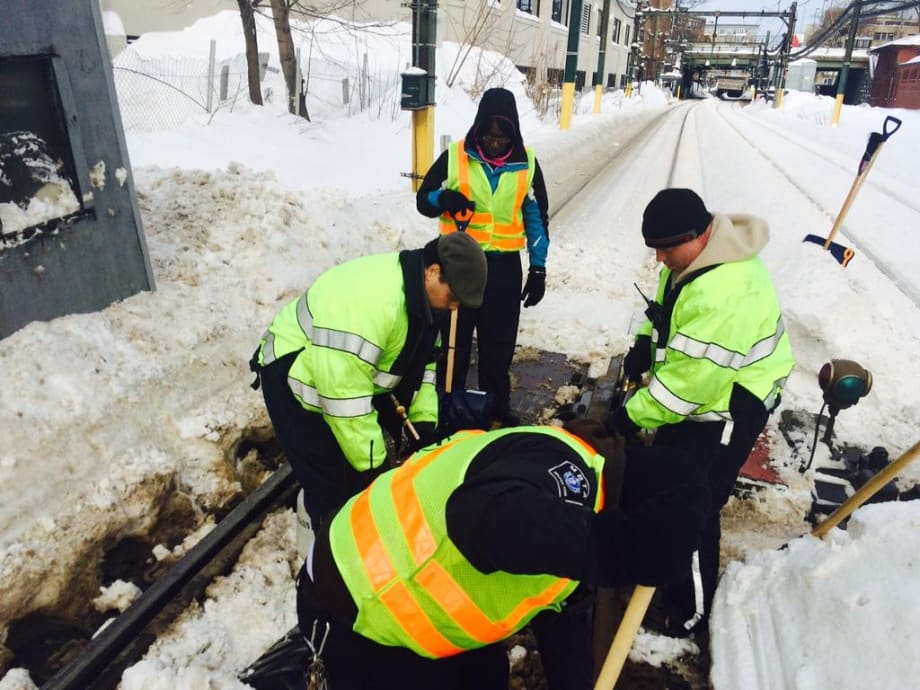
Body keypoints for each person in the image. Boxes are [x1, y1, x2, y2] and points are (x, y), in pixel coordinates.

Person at [284, 420, 709, 690]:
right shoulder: (569, 476)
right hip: (361, 609)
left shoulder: (584, 501)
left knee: (486, 676)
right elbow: (481, 517)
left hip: (408, 609)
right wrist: (616, 549)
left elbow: (559, 615)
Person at [606, 187, 795, 638]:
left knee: (695, 506)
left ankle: (689, 612)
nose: (658, 259)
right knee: (668, 480)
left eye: (665, 249)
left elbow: (687, 389)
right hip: (703, 396)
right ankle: (661, 569)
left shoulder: (725, 293)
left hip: (730, 407)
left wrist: (628, 418)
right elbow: (666, 315)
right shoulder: (691, 261)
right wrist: (641, 349)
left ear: (698, 234)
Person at [250, 232, 487, 528]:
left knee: (357, 474)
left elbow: (426, 364)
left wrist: (424, 420)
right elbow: (346, 401)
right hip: (293, 375)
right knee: (334, 487)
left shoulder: (426, 303)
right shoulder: (371, 306)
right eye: (453, 298)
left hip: (342, 378)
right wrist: (375, 469)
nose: (455, 308)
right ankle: (326, 554)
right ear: (433, 272)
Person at [416, 87, 550, 428]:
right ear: (479, 128)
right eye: (489, 136)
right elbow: (424, 200)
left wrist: (538, 267)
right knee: (453, 343)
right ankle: (448, 405)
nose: (494, 142)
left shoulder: (528, 163)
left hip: (503, 269)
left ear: (513, 133)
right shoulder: (456, 155)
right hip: (458, 266)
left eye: (502, 137)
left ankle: (494, 407)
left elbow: (536, 219)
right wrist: (444, 199)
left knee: (498, 343)